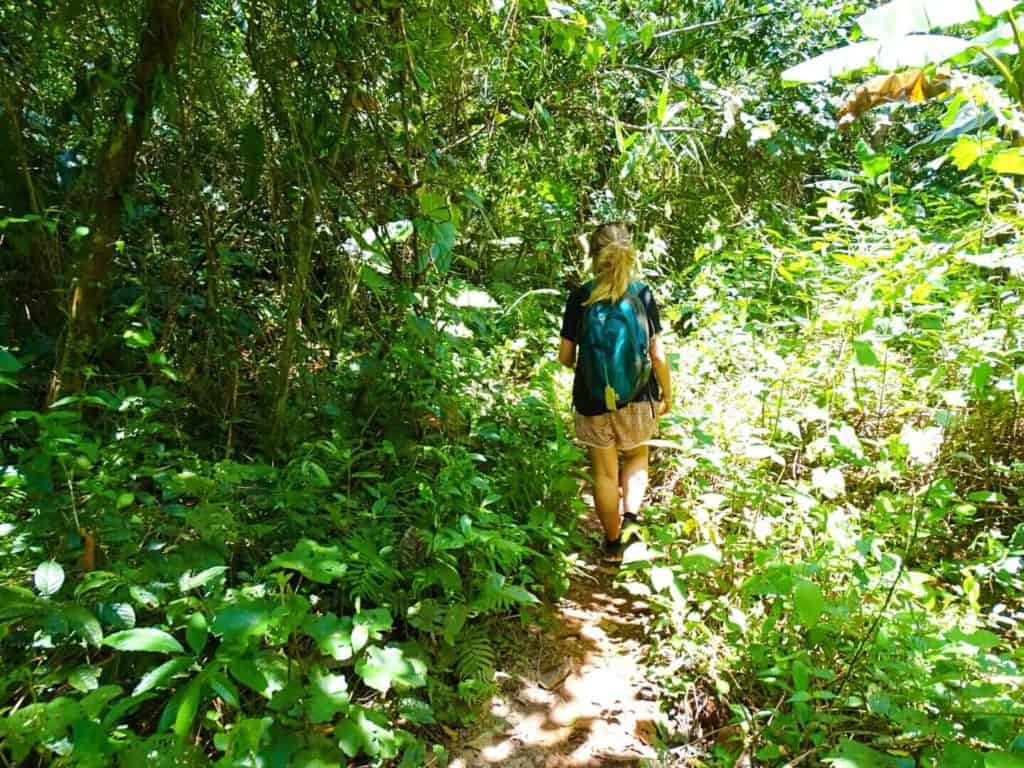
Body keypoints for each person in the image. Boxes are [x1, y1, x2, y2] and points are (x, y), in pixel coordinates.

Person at [558, 222, 672, 556]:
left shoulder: (580, 296)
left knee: (604, 473)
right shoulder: (642, 294)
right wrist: (667, 393)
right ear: (630, 254)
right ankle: (632, 521)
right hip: (638, 398)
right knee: (637, 455)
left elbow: (565, 357)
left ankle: (611, 543)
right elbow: (657, 355)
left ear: (592, 255)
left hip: (592, 401)